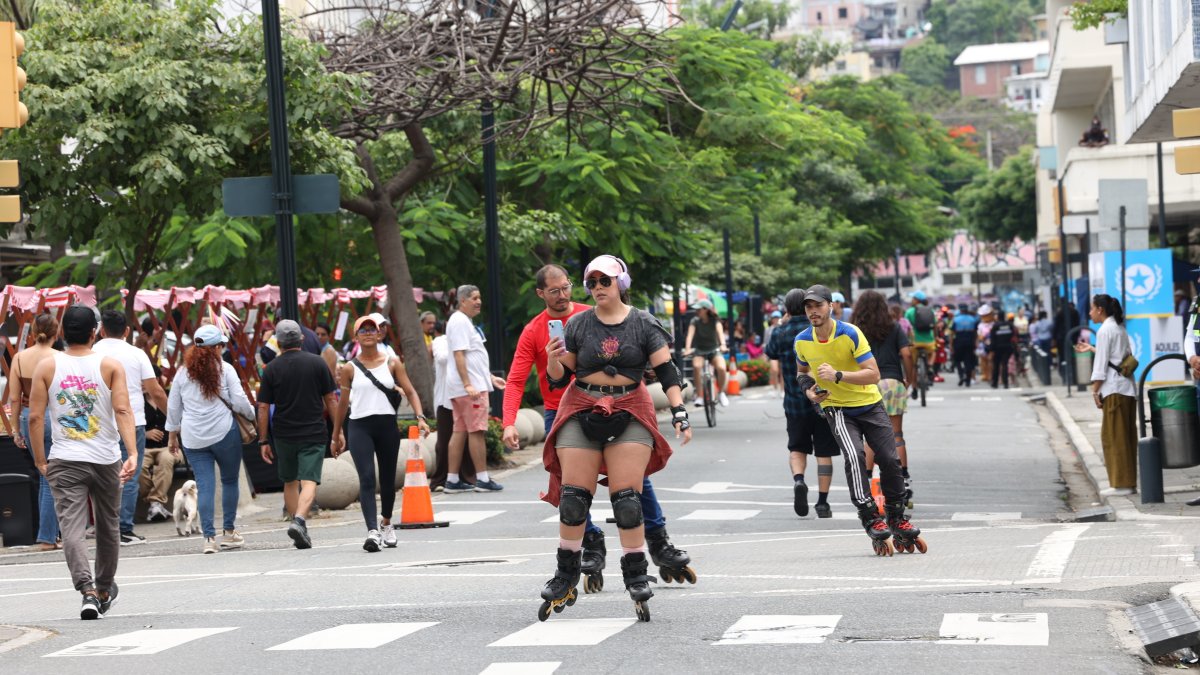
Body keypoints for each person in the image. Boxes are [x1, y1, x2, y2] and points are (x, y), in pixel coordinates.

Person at [502, 264, 688, 591]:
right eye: (593, 282)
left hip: (628, 405)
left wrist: (679, 411)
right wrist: (509, 420)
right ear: (541, 293)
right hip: (575, 405)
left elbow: (666, 370)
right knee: (572, 496)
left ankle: (651, 550)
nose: (597, 287)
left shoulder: (635, 320)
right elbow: (541, 378)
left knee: (629, 492)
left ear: (620, 283)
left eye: (605, 280)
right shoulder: (561, 327)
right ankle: (577, 559)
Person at [793, 285, 924, 556]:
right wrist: (810, 391)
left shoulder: (850, 333)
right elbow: (802, 373)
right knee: (854, 456)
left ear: (831, 306)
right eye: (808, 307)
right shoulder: (802, 340)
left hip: (869, 404)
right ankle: (869, 515)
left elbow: (873, 374)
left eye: (818, 306)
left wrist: (838, 375)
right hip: (837, 407)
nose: (813, 312)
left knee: (888, 458)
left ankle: (897, 516)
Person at [28, 305, 138, 619]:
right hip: (106, 458)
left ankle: (86, 589)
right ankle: (103, 589)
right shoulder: (110, 365)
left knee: (72, 528)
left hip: (65, 458)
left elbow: (35, 417)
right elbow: (123, 411)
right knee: (108, 526)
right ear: (96, 333)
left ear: (61, 332)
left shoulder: (46, 366)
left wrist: (39, 459)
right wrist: (131, 453)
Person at [331, 315, 429, 552]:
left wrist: (420, 416)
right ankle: (372, 531)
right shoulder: (349, 368)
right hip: (359, 425)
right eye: (362, 330)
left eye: (371, 329)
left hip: (386, 425)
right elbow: (343, 404)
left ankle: (386, 523)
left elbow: (410, 391)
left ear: (379, 334)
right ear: (355, 337)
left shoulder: (393, 362)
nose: (367, 333)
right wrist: (336, 434)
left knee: (387, 479)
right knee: (366, 477)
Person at [165, 325, 254, 554]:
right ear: (215, 348)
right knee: (230, 481)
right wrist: (253, 416)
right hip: (224, 432)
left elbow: (173, 407)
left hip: (193, 438)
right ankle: (229, 532)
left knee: (204, 486)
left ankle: (208, 539)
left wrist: (172, 436)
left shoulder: (182, 373)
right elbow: (240, 401)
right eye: (221, 345)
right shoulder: (226, 370)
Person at [257, 320, 341, 549]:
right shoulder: (317, 363)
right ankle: (300, 521)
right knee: (310, 480)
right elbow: (331, 400)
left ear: (278, 342)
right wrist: (337, 431)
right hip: (313, 430)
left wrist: (263, 439)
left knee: (289, 481)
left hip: (284, 433)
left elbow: (263, 407)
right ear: (302, 339)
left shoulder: (271, 369)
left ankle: (297, 523)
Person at [93, 310, 169, 545]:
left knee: (102, 477)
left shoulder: (91, 353)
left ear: (101, 330)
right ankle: (124, 528)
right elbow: (155, 391)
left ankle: (104, 529)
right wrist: (174, 420)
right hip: (132, 421)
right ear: (126, 331)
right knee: (129, 476)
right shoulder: (137, 354)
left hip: (98, 423)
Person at [765, 290, 839, 519]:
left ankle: (799, 481)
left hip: (794, 401)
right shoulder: (816, 330)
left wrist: (783, 322)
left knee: (797, 448)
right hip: (823, 399)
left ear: (787, 307)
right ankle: (823, 503)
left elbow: (770, 353)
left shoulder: (780, 331)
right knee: (824, 452)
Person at [853, 290, 916, 504]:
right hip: (893, 381)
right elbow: (907, 353)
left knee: (871, 436)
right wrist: (909, 377)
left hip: (867, 382)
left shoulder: (855, 330)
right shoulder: (894, 327)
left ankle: (869, 483)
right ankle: (904, 478)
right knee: (896, 434)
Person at [444, 286, 507, 493]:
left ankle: (452, 480)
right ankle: (482, 478)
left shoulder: (461, 321)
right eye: (474, 298)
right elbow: (459, 355)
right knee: (477, 431)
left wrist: (489, 378)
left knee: (460, 431)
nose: (479, 301)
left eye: (479, 297)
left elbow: (472, 357)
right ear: (462, 301)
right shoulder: (461, 321)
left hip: (465, 386)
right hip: (470, 388)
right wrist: (468, 384)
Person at [7, 313, 62, 551]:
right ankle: (48, 537)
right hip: (55, 416)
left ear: (32, 333)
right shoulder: (60, 357)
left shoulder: (19, 358)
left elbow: (14, 398)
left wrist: (16, 430)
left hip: (30, 417)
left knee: (44, 475)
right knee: (53, 478)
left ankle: (49, 533)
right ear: (56, 333)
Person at [1074, 295, 1137, 496]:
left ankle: (1122, 484)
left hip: (1113, 389)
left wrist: (1094, 390)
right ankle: (1127, 482)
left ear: (1100, 309)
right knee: (1126, 436)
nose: (1090, 313)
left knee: (1113, 437)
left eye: (1092, 309)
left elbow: (1101, 366)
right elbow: (1117, 357)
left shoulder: (1104, 330)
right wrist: (1092, 348)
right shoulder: (1118, 327)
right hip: (1126, 388)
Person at [429, 331, 476, 491]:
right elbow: (442, 359)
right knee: (444, 440)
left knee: (469, 438)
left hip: (465, 395)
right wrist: (458, 353)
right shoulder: (440, 341)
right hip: (446, 399)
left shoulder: (469, 341)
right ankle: (441, 479)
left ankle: (467, 477)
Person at [683, 299, 729, 408]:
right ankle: (699, 396)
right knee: (696, 366)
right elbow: (690, 335)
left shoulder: (715, 321)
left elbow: (720, 333)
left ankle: (721, 392)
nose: (697, 311)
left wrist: (723, 345)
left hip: (714, 350)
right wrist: (688, 348)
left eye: (699, 309)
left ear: (706, 310)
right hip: (699, 351)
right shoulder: (694, 321)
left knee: (722, 368)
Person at [139, 393, 175, 522]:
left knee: (166, 459)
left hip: (169, 446)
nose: (143, 383)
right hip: (145, 448)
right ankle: (155, 505)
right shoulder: (136, 401)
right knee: (139, 465)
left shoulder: (168, 398)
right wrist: (145, 434)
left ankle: (154, 503)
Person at [904, 291, 937, 393]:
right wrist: (935, 338)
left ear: (916, 300)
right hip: (929, 342)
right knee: (933, 352)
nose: (911, 300)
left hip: (914, 343)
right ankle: (930, 366)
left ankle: (914, 387)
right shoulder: (930, 310)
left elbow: (906, 328)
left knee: (914, 366)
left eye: (913, 298)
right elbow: (935, 325)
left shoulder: (909, 312)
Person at [986, 311, 1017, 389]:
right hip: (1007, 347)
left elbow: (992, 338)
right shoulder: (1009, 325)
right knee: (1005, 365)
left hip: (997, 348)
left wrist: (990, 349)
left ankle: (995, 383)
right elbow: (1014, 336)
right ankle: (1005, 383)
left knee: (996, 365)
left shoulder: (995, 326)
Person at [951, 305, 980, 386]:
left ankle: (961, 375)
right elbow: (976, 333)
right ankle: (967, 380)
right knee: (969, 362)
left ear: (960, 311)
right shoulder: (973, 319)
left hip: (959, 342)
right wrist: (976, 343)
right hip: (970, 343)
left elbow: (952, 333)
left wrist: (951, 345)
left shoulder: (956, 320)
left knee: (957, 361)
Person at [977, 304, 996, 383]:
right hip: (983, 345)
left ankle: (991, 374)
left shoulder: (994, 324)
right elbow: (979, 335)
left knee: (991, 360)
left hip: (993, 344)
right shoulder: (980, 325)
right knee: (983, 360)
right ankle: (985, 374)